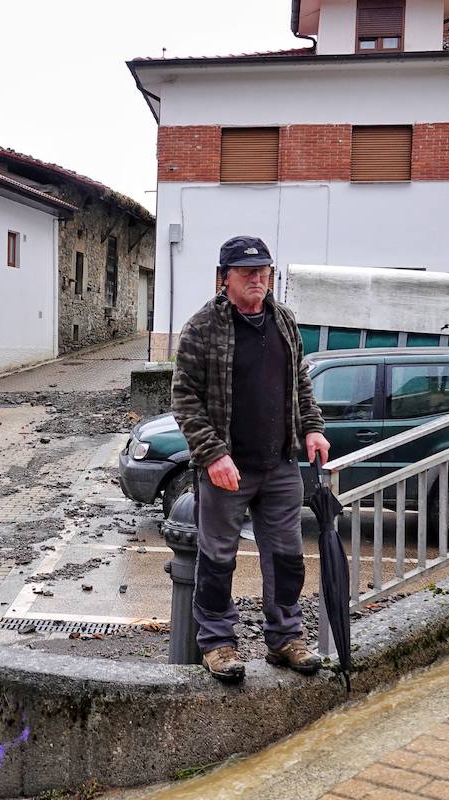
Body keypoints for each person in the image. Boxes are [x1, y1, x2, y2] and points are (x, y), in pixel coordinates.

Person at [171, 235, 331, 684]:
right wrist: (212, 455)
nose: (257, 278)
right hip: (227, 468)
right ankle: (218, 645)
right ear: (224, 278)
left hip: (280, 464)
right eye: (247, 272)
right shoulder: (203, 327)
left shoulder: (284, 321)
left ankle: (285, 638)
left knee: (287, 558)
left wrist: (312, 427)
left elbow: (299, 380)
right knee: (218, 559)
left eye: (264, 271)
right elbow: (184, 399)